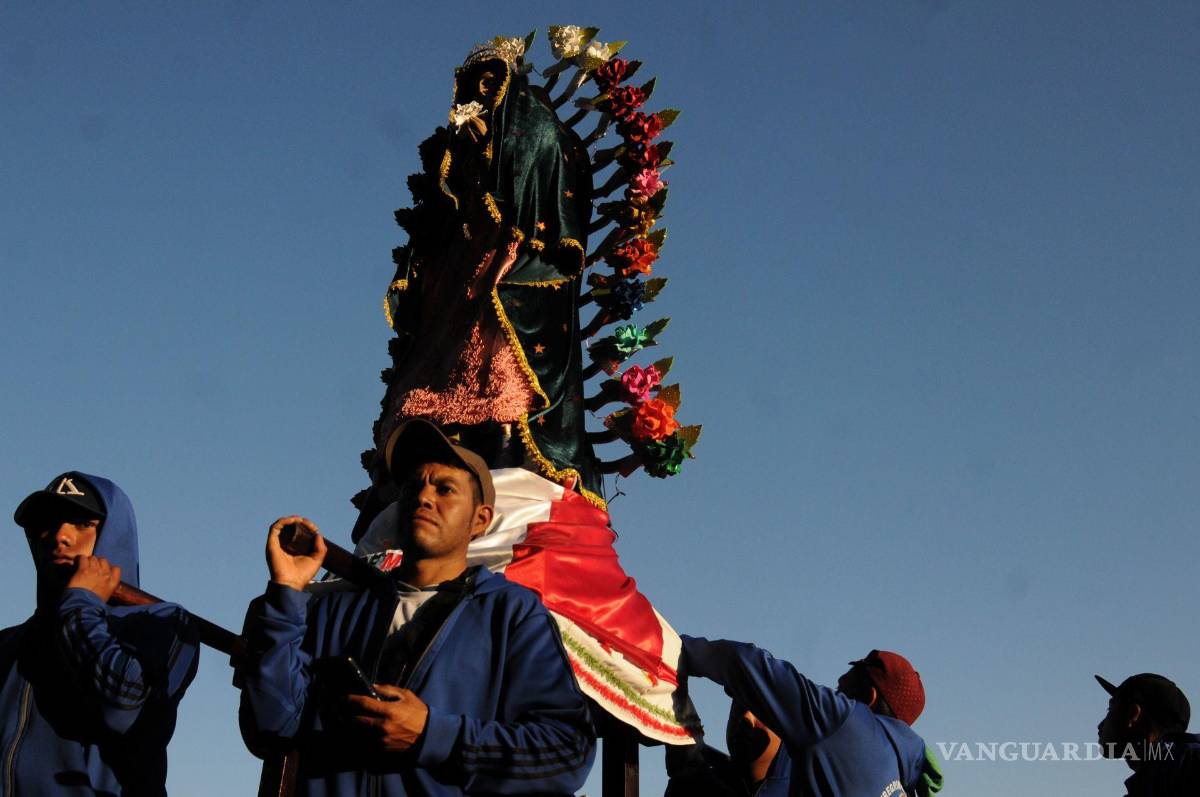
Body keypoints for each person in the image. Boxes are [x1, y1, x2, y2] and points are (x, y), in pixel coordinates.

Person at [237, 419, 595, 796]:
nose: (423, 497)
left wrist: (431, 734)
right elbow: (270, 726)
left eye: (445, 489)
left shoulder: (511, 615)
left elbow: (567, 752)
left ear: (480, 520)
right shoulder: (335, 611)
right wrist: (286, 592)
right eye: (413, 486)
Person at [0, 471, 200, 796]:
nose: (60, 536)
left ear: (113, 536)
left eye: (82, 523)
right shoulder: (8, 644)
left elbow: (121, 705)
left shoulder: (163, 624)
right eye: (47, 524)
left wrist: (79, 605)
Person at [665, 640, 942, 797]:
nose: (746, 718)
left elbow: (743, 663)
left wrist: (669, 651)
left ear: (869, 697)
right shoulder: (898, 774)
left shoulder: (847, 726)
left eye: (842, 691)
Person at [1096, 672, 1200, 795]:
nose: (1100, 725)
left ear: (1132, 713)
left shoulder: (1187, 765)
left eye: (1110, 708)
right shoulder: (1162, 776)